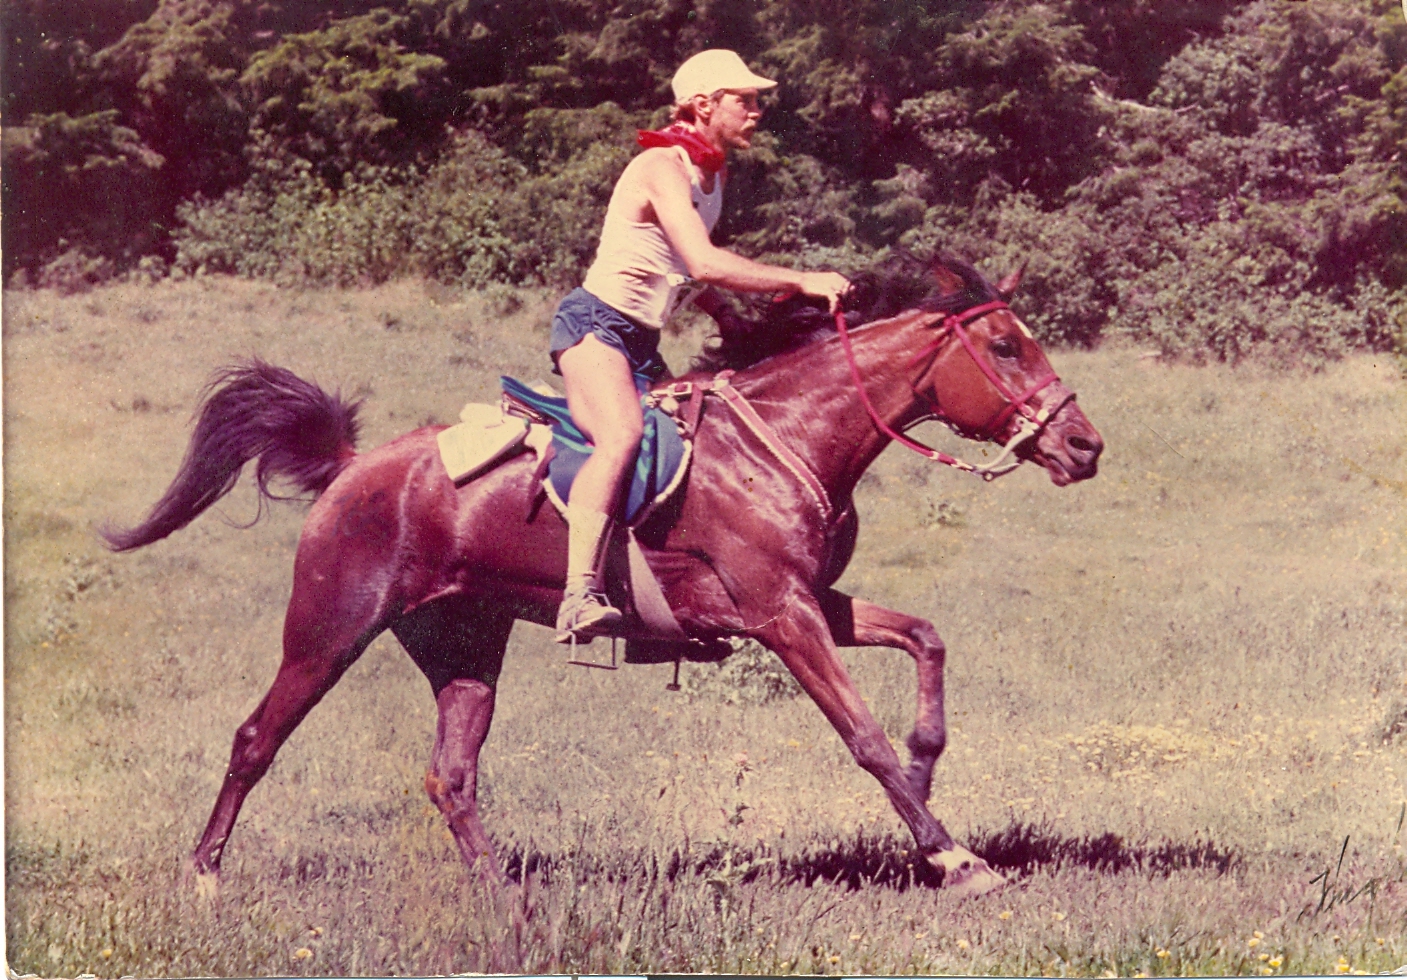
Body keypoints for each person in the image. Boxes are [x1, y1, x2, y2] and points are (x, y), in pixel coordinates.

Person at [550, 48, 851, 643]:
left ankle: (662, 610)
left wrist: (723, 315)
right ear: (703, 105)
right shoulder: (662, 165)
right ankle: (577, 596)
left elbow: (674, 269)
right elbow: (703, 260)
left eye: (757, 100)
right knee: (623, 437)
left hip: (640, 339)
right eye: (745, 100)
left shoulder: (712, 175)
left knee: (698, 445)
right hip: (595, 327)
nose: (756, 111)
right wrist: (800, 279)